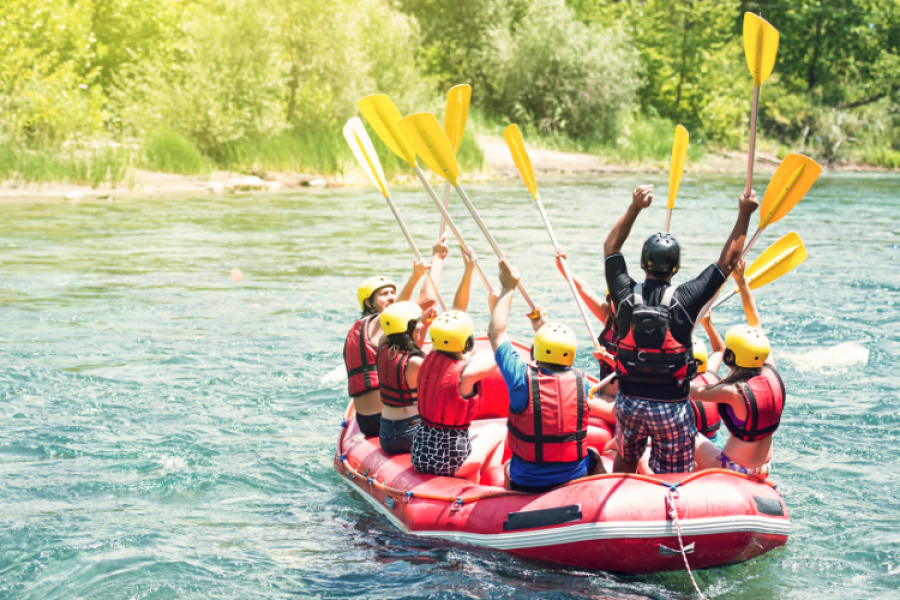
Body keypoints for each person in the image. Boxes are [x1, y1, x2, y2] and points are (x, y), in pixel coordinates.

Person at [605, 184, 759, 474]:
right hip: (672, 406)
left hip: (629, 403)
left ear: (641, 263)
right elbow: (726, 263)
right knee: (674, 473)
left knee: (626, 457)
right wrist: (744, 214)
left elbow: (611, 249)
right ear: (675, 268)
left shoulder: (623, 293)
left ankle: (623, 487)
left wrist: (635, 207)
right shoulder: (686, 299)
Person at [489, 259, 603, 493]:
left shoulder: (521, 377)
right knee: (594, 456)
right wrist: (543, 328)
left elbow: (496, 334)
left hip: (527, 482)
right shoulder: (581, 382)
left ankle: (511, 508)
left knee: (509, 466)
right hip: (574, 476)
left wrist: (508, 287)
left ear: (537, 349)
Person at [343, 237, 448, 437]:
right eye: (383, 294)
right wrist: (438, 258)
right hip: (384, 419)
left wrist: (415, 277)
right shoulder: (380, 322)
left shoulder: (363, 330)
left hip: (365, 421)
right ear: (369, 303)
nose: (391, 297)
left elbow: (400, 310)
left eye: (393, 292)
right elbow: (429, 298)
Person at [412, 250, 503, 478]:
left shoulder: (428, 359)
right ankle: (490, 483)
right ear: (467, 341)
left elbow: (455, 313)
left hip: (420, 456)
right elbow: (501, 350)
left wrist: (468, 271)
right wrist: (495, 309)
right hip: (449, 463)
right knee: (496, 431)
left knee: (468, 444)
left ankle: (472, 481)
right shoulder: (467, 374)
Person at [691, 261, 785, 475]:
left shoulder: (733, 392)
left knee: (690, 432)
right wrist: (742, 282)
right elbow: (756, 324)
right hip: (764, 467)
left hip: (734, 467)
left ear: (730, 357)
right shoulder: (771, 371)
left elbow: (692, 391)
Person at [376, 300, 434, 455]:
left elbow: (409, 344)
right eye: (417, 323)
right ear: (407, 328)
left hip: (386, 435)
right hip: (412, 433)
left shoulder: (382, 347)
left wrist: (424, 323)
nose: (421, 326)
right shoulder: (416, 363)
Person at [689, 324, 727, 450]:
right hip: (716, 442)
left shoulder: (675, 385)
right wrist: (708, 324)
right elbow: (719, 350)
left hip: (694, 445)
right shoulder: (711, 373)